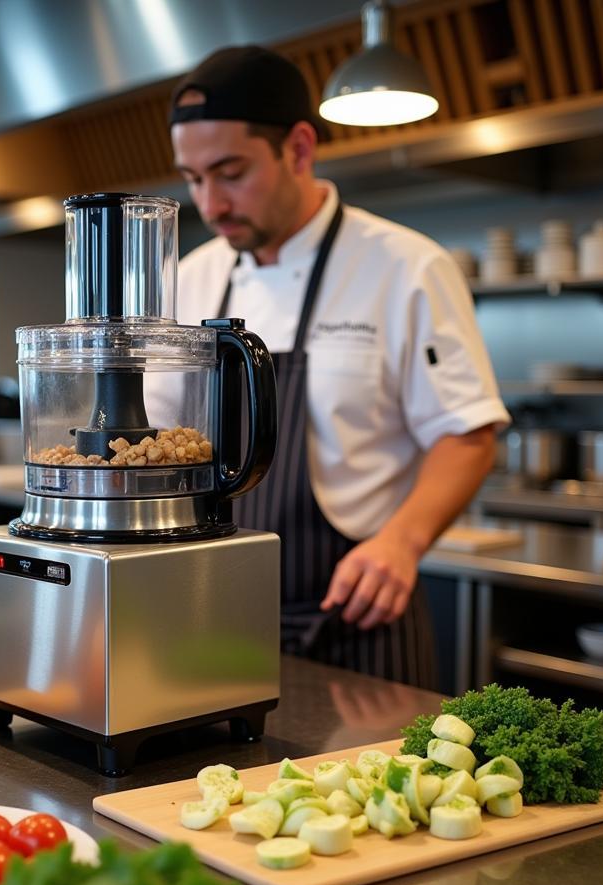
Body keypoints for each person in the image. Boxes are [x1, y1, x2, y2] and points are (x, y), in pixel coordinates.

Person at [168, 46, 509, 689]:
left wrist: (402, 543)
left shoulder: (405, 268)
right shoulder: (191, 277)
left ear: (298, 148)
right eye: (192, 178)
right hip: (209, 625)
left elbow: (468, 433)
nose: (210, 204)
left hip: (357, 621)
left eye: (230, 172)